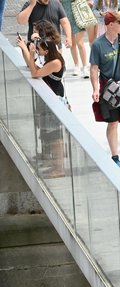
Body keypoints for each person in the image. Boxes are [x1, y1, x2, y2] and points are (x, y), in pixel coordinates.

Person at [89, 10, 120, 167]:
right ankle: (115, 155)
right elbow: (93, 68)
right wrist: (96, 89)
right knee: (113, 122)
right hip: (108, 88)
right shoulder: (98, 45)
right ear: (110, 24)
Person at [17, 24, 68, 178]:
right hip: (50, 100)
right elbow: (32, 65)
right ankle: (53, 164)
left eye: (39, 49)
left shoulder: (55, 62)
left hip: (55, 100)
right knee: (48, 134)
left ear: (46, 50)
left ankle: (59, 168)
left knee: (55, 137)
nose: (38, 51)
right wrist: (26, 50)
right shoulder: (50, 57)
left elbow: (34, 72)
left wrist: (30, 52)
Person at [62, 0, 96, 78]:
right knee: (72, 44)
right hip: (66, 17)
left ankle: (85, 66)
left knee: (80, 43)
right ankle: (76, 65)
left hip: (79, 16)